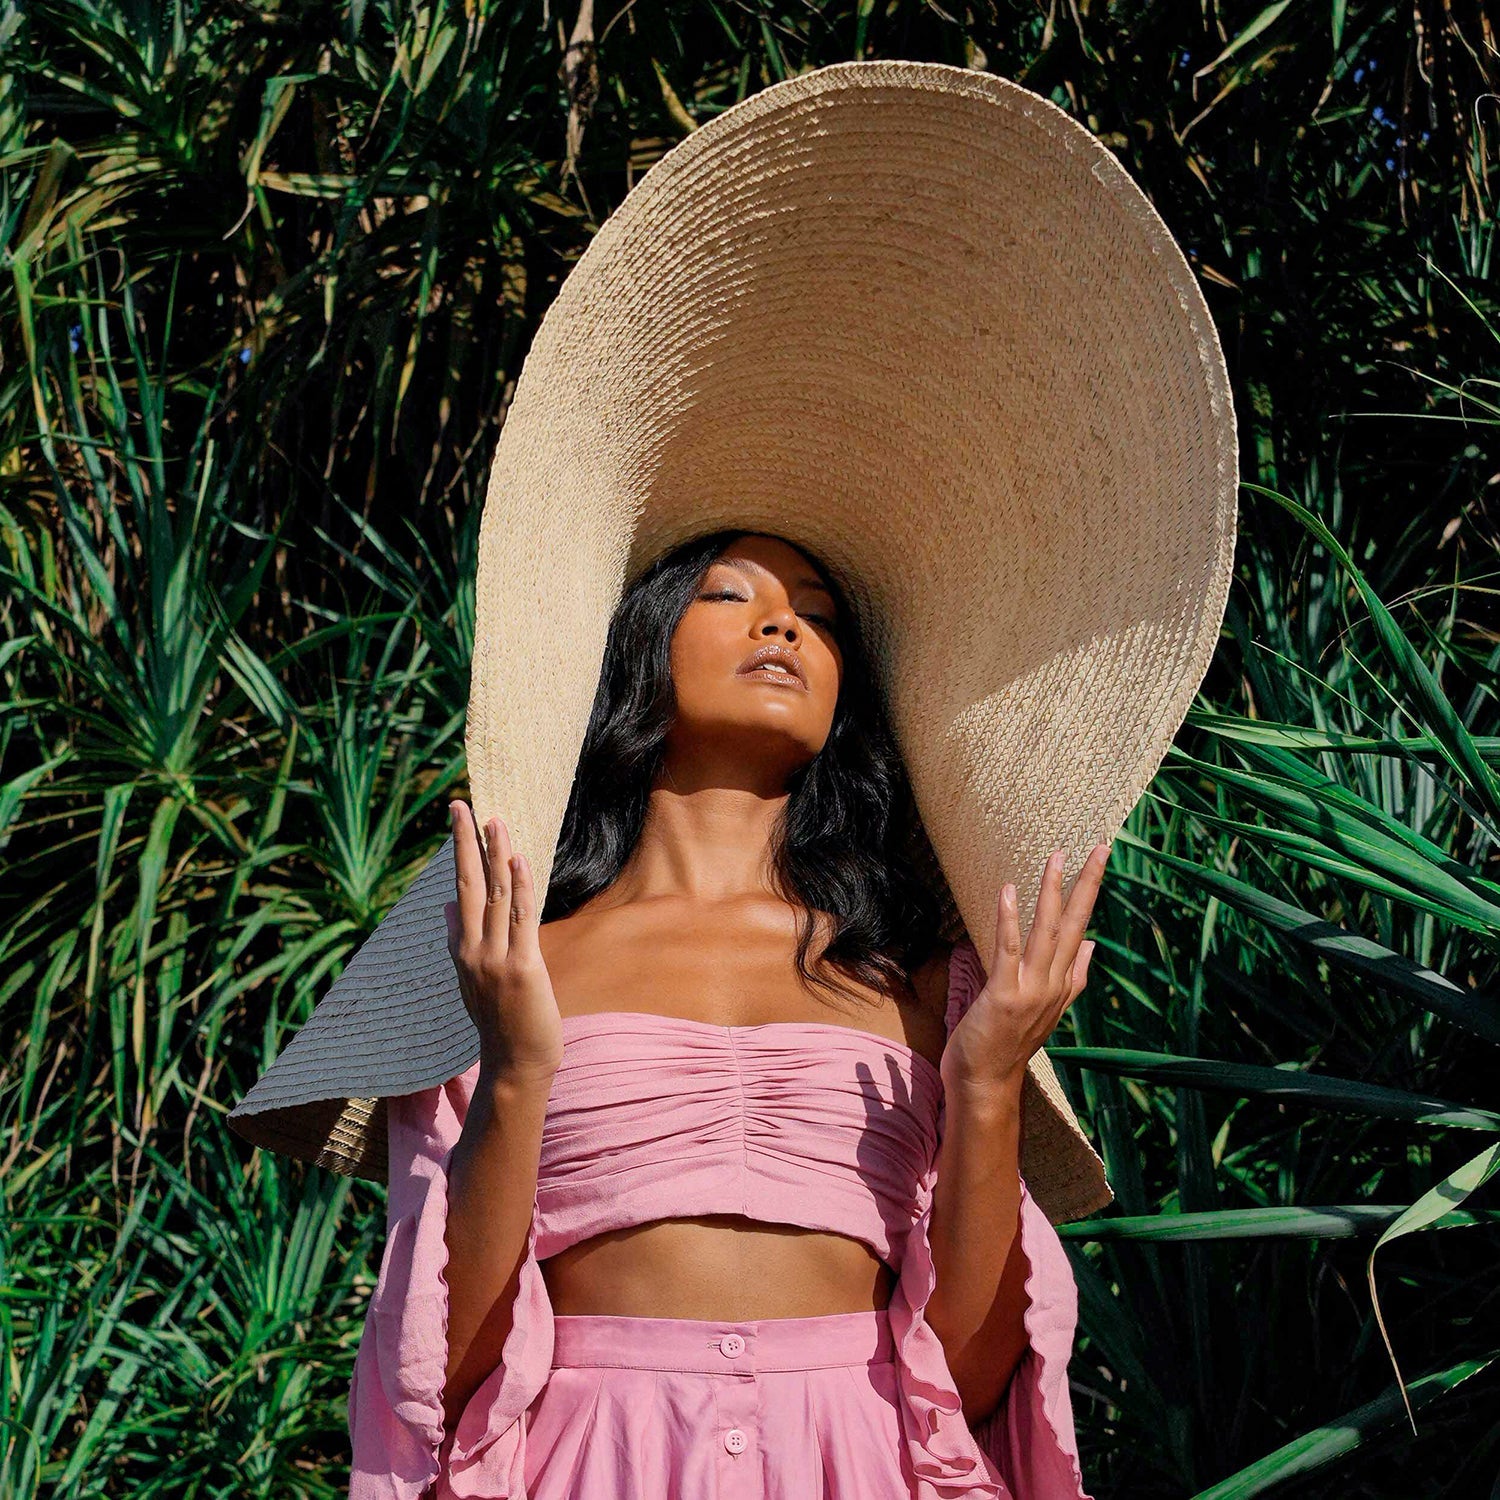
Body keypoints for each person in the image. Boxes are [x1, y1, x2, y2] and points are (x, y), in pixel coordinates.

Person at [347, 529, 1107, 1499]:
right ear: (640, 647)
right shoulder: (504, 956)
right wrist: (516, 1071)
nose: (783, 622)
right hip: (597, 1464)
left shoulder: (925, 980)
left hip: (859, 1463)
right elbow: (448, 1372)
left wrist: (989, 1082)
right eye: (727, 595)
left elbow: (972, 1379)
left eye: (820, 618)